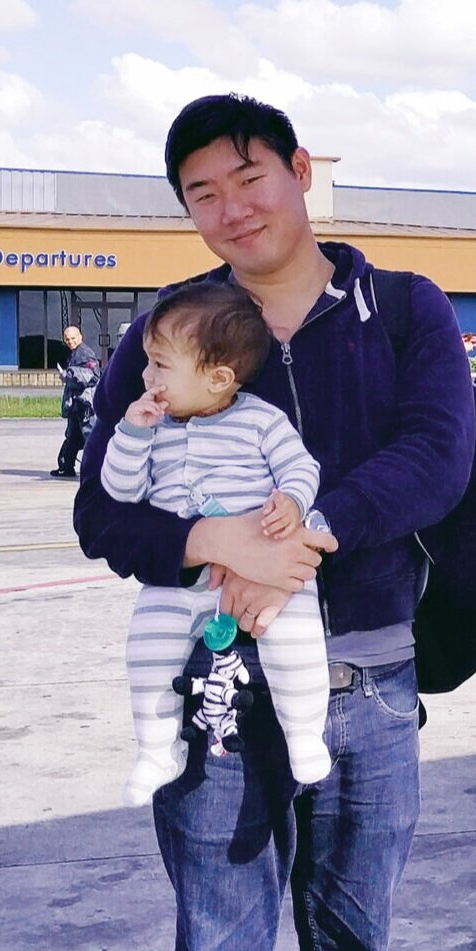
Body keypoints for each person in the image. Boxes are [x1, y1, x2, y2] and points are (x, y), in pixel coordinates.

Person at [73, 92, 473, 951]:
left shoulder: (406, 308)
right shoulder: (169, 331)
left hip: (368, 686)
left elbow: (436, 458)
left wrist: (295, 545)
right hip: (211, 691)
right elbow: (103, 513)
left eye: (247, 177)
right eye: (202, 193)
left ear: (299, 171)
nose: (231, 208)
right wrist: (217, 542)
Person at [99, 281, 333, 805]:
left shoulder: (260, 420)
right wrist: (131, 436)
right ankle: (157, 749)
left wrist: (292, 502)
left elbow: (301, 466)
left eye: (160, 365)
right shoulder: (151, 429)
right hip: (180, 580)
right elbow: (119, 490)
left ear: (218, 379)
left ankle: (304, 735)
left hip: (266, 571)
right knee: (147, 649)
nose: (145, 376)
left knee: (295, 638)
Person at [50, 325, 101, 478]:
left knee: (90, 436)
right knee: (73, 436)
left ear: (80, 337)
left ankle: (97, 469)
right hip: (76, 404)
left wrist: (68, 375)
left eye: (73, 338)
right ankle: (67, 467)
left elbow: (92, 376)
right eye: (67, 339)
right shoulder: (74, 354)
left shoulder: (85, 354)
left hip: (85, 404)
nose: (70, 341)